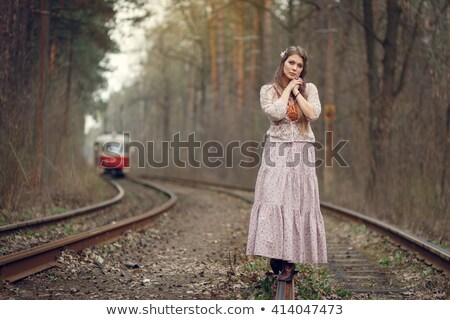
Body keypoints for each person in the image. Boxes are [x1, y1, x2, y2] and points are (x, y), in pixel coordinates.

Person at [246, 45, 327, 281]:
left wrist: (298, 93)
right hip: (277, 151)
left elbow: (312, 114)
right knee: (273, 197)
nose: (295, 68)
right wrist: (288, 89)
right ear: (283, 63)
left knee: (296, 201)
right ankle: (276, 253)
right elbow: (276, 114)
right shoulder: (268, 90)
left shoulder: (310, 89)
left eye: (299, 65)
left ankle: (290, 262)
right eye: (291, 63)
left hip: (302, 153)